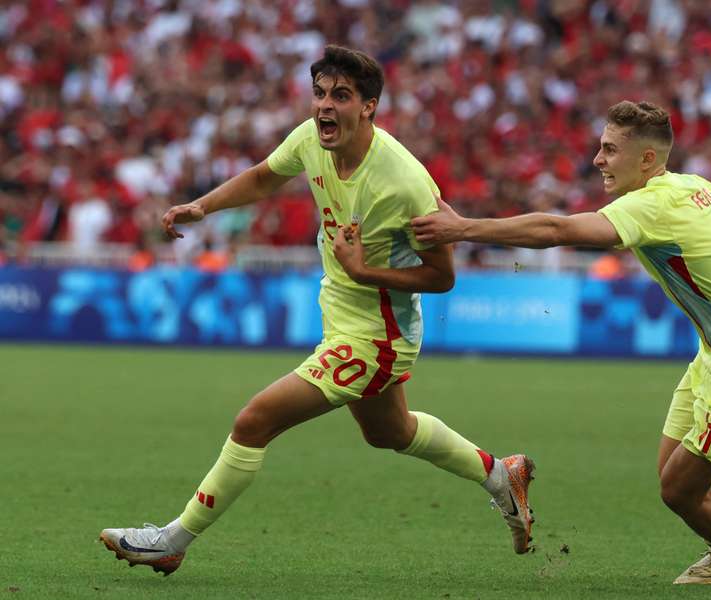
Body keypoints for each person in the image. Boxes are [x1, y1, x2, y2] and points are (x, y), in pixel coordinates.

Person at [99, 46, 535, 576]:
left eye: (342, 96)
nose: (325, 107)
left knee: (254, 421)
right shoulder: (311, 138)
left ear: (369, 107)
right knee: (389, 432)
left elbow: (442, 277)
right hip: (342, 318)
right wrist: (204, 205)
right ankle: (500, 475)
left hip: (379, 337)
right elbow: (264, 175)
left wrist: (364, 271)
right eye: (320, 94)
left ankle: (171, 539)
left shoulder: (403, 182)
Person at [411, 100, 711, 585]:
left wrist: (464, 228)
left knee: (679, 490)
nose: (597, 160)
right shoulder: (694, 186)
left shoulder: (650, 204)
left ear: (646, 160)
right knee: (676, 465)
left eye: (609, 149)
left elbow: (556, 229)